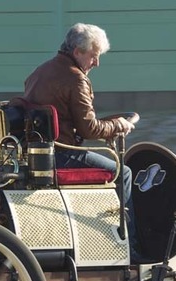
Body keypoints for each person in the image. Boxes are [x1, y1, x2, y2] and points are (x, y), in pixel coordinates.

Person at [23, 23, 143, 260]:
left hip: (37, 156)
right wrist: (119, 125)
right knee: (125, 173)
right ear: (77, 51)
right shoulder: (76, 79)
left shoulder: (40, 71)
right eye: (94, 56)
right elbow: (89, 129)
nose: (96, 63)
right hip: (62, 156)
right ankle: (131, 247)